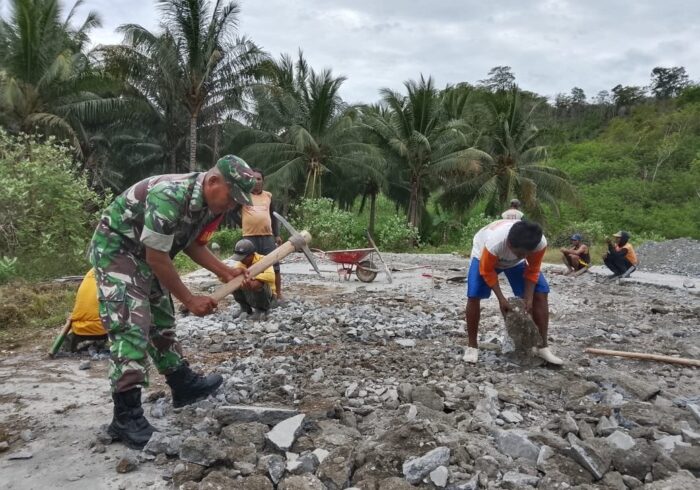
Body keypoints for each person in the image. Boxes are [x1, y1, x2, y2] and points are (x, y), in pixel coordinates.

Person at [89, 154, 256, 449]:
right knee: (132, 325)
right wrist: (189, 299)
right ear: (213, 181)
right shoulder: (169, 195)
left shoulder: (210, 205)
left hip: (147, 254)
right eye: (231, 197)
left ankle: (182, 385)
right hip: (118, 250)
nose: (232, 205)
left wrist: (225, 271)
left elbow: (191, 243)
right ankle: (126, 416)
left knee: (162, 319)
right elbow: (157, 257)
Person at [464, 219, 563, 365]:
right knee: (474, 294)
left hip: (515, 264)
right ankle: (472, 346)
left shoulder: (538, 243)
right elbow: (487, 271)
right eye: (520, 253)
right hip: (484, 256)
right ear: (510, 244)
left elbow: (533, 269)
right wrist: (501, 299)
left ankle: (542, 347)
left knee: (541, 293)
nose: (524, 256)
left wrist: (528, 298)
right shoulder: (495, 244)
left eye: (527, 254)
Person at [234, 168, 284, 301]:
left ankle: (278, 294)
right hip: (249, 238)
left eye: (258, 179)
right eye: (253, 179)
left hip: (267, 236)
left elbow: (273, 216)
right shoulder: (244, 196)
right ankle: (251, 295)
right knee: (249, 266)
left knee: (274, 265)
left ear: (263, 181)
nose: (256, 181)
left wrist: (277, 235)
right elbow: (232, 212)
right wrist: (242, 223)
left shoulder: (268, 196)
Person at [230, 239, 276, 320]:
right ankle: (245, 308)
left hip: (268, 294)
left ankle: (261, 309)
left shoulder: (263, 259)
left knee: (256, 283)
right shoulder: (240, 264)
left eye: (243, 258)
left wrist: (252, 277)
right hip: (249, 293)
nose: (241, 260)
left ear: (251, 255)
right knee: (234, 283)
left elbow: (271, 277)